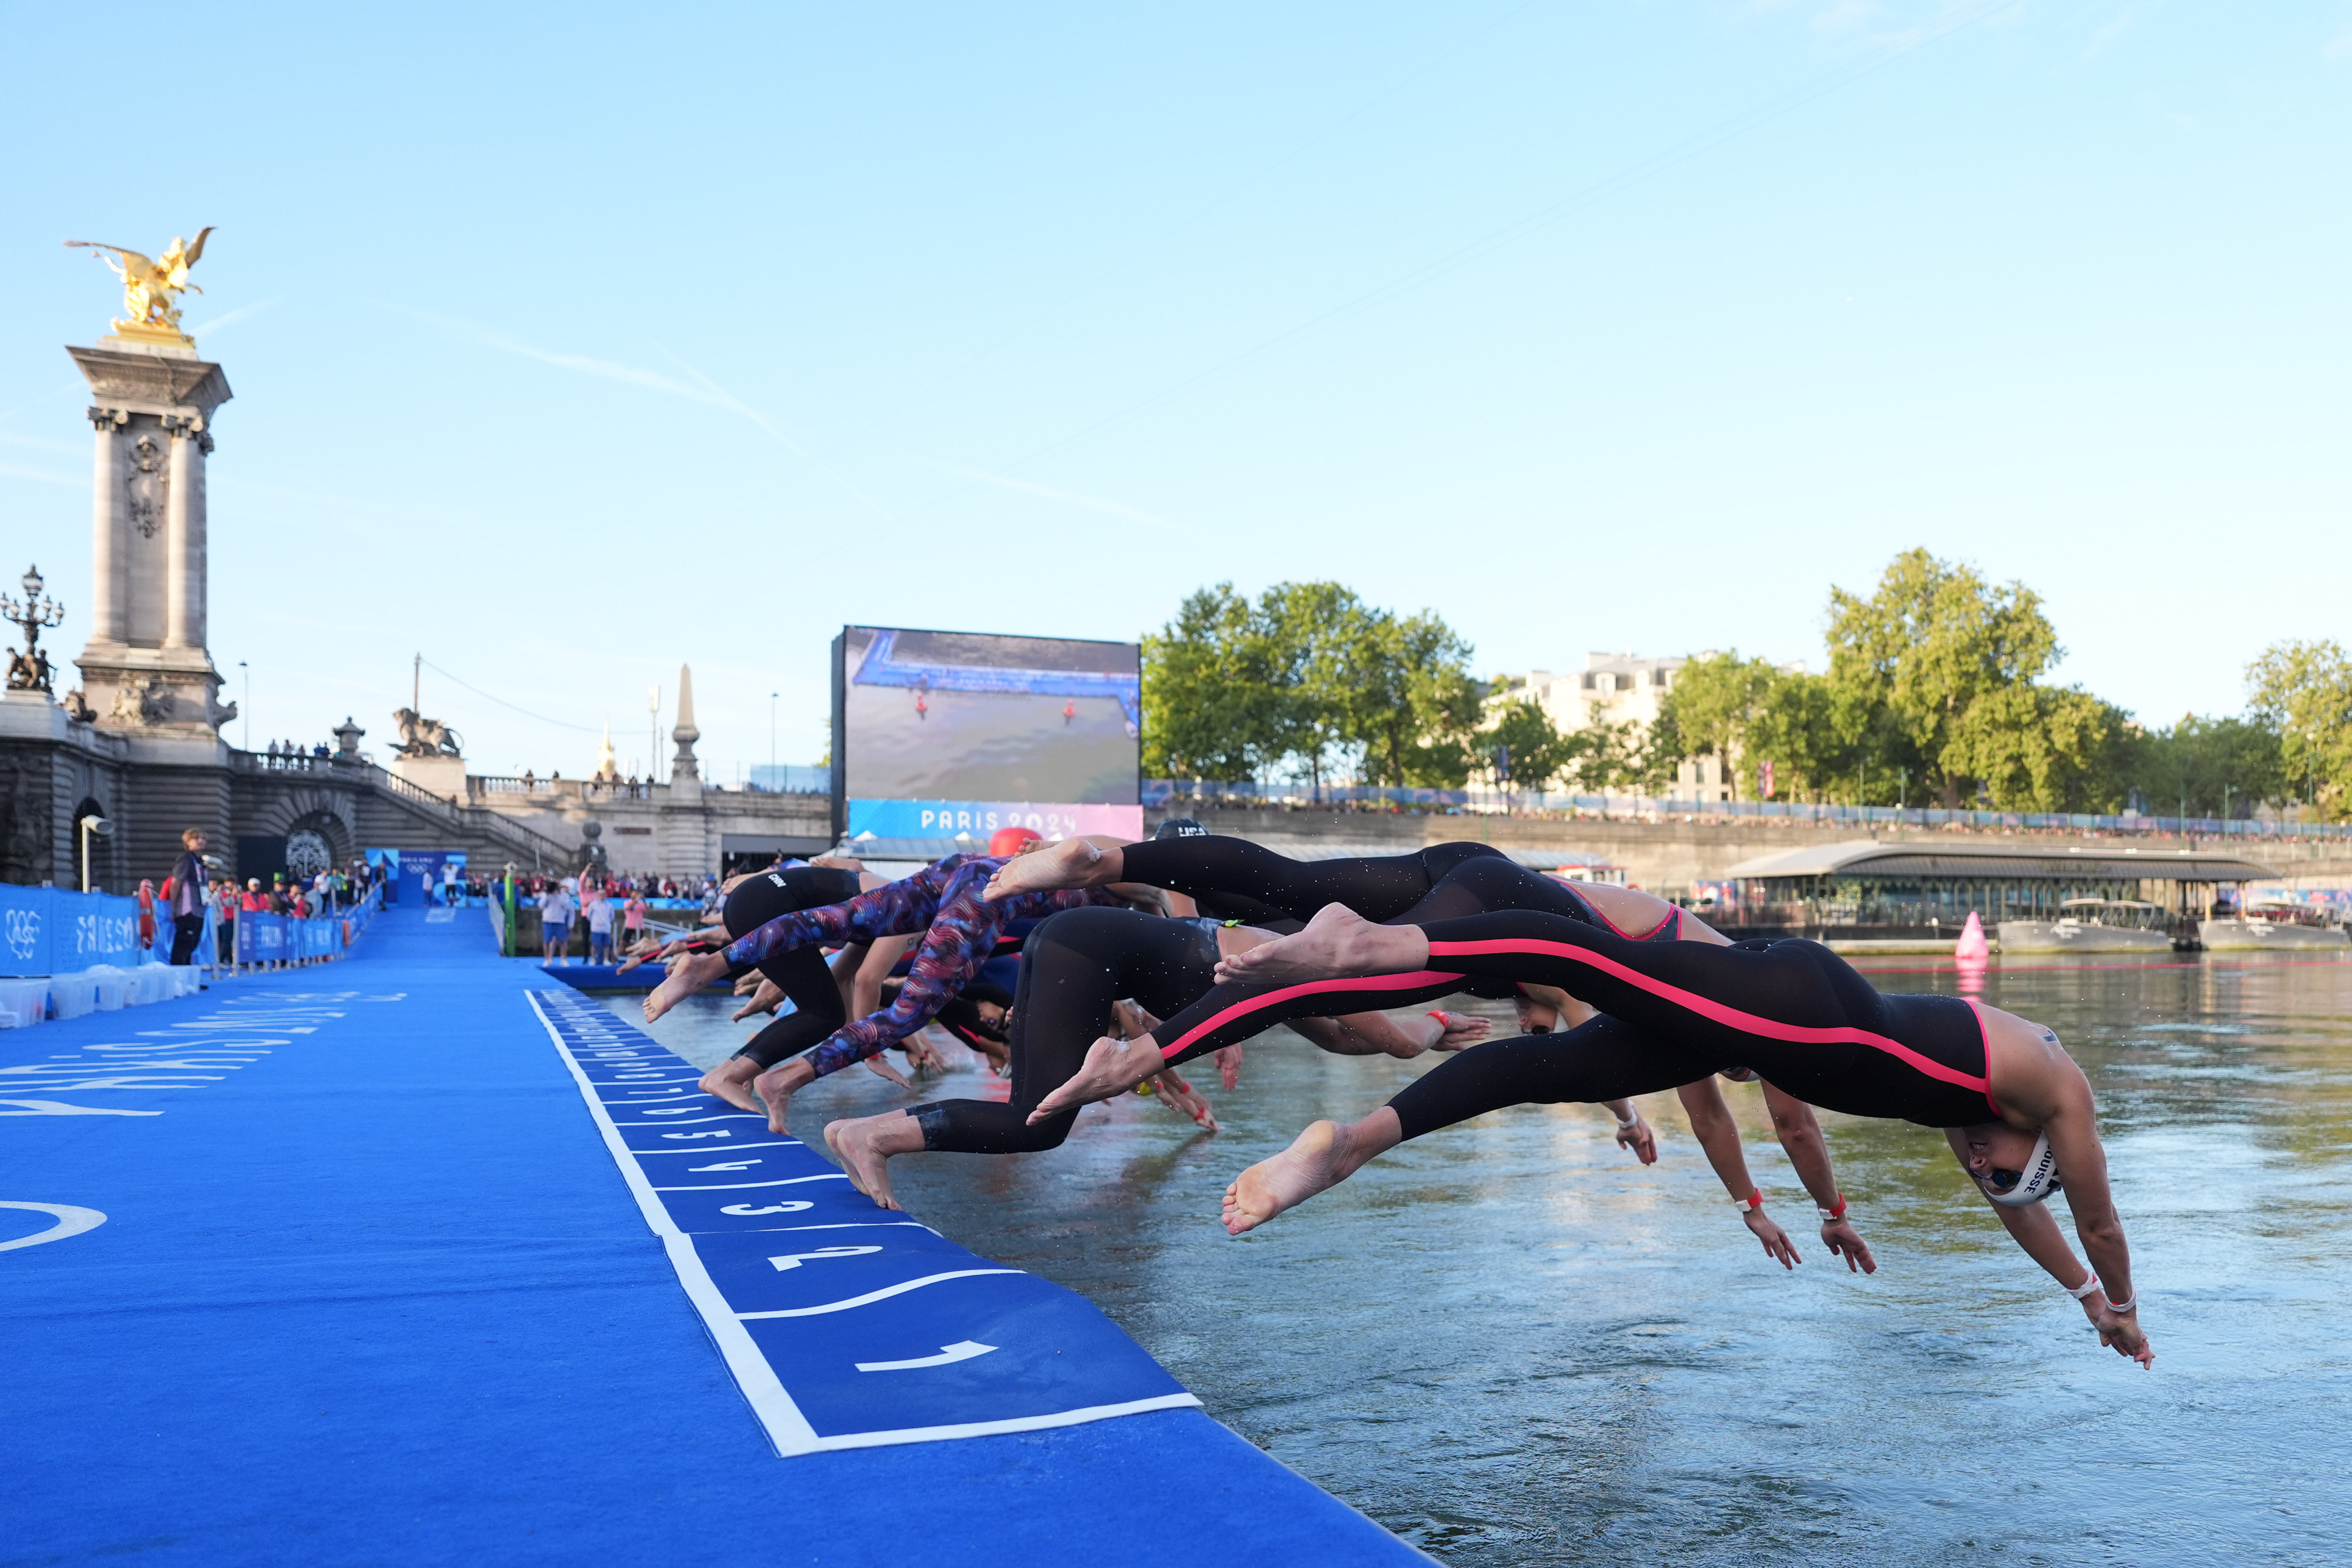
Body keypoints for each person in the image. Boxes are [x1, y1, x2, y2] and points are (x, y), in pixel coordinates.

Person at [1179, 881, 2150, 1366]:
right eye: (2002, 1165)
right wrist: (2123, 1304)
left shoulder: (1986, 1119)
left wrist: (2078, 1301)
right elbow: (2093, 1220)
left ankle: (1347, 1146)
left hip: (1792, 1030)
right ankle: (1373, 942)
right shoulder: (2058, 1092)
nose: (1982, 1163)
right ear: (2046, 1151)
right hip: (1807, 1006)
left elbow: (2023, 1214)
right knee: (1596, 963)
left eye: (1985, 1171)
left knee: (1542, 1069)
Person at [820, 904, 1492, 1209]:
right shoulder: (1312, 966)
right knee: (1041, 1120)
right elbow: (1381, 1037)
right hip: (1085, 951)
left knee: (1038, 1112)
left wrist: (1176, 1083)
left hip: (1078, 943)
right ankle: (870, 1133)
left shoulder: (1281, 960)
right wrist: (1436, 1022)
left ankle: (872, 1135)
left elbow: (1344, 1037)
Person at [645, 837, 1139, 1133]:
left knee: (829, 922)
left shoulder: (1131, 876)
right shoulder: (1147, 885)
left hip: (968, 865)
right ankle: (783, 1078)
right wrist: (874, 1049)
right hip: (988, 895)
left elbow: (843, 969)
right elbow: (865, 978)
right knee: (906, 1012)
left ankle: (709, 966)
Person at [540, 880, 575, 966]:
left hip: (560, 921)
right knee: (547, 941)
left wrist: (558, 896)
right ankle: (547, 959)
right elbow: (541, 905)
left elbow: (568, 907)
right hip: (548, 921)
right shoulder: (546, 895)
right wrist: (548, 895)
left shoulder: (564, 896)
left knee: (563, 941)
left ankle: (563, 959)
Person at [584, 884, 616, 964]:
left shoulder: (610, 905)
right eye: (600, 894)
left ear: (606, 895)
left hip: (606, 928)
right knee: (594, 944)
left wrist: (606, 922)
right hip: (596, 928)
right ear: (597, 895)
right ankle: (593, 959)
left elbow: (612, 917)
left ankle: (606, 960)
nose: (602, 896)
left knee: (607, 945)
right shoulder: (593, 905)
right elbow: (589, 916)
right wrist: (596, 922)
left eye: (603, 894)